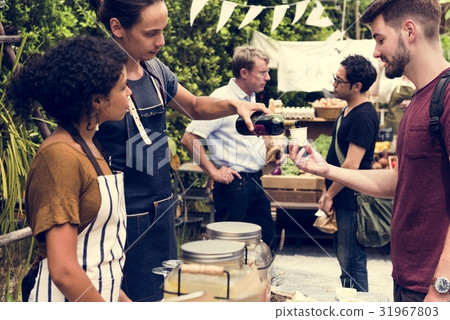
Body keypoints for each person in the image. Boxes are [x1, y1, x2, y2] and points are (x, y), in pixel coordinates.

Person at [89, 0, 268, 302]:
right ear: (117, 27)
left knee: (166, 294)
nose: (160, 42)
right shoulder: (98, 75)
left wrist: (234, 105)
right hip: (122, 214)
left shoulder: (155, 70)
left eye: (163, 31)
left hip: (162, 205)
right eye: (151, 33)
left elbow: (195, 106)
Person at [290, 0, 450, 302]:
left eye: (379, 39)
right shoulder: (419, 100)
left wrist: (443, 285)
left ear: (409, 31)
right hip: (408, 280)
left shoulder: (448, 96)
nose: (376, 52)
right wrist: (326, 169)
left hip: (433, 288)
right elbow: (399, 179)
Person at [7, 36, 132, 302]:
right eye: (123, 87)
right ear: (97, 100)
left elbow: (99, 260)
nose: (130, 93)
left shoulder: (93, 148)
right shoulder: (59, 158)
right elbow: (64, 270)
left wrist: (124, 303)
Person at [181, 46, 277, 251]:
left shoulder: (250, 98)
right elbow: (189, 138)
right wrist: (213, 172)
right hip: (234, 186)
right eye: (262, 72)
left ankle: (257, 283)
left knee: (267, 242)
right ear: (244, 73)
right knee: (230, 249)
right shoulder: (221, 99)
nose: (267, 77)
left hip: (254, 182)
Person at [322, 55, 378, 292]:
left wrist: (329, 195)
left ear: (356, 86)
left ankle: (360, 309)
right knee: (346, 264)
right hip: (341, 198)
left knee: (353, 264)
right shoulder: (347, 109)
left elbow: (351, 166)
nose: (334, 83)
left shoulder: (364, 115)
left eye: (338, 80)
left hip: (351, 200)